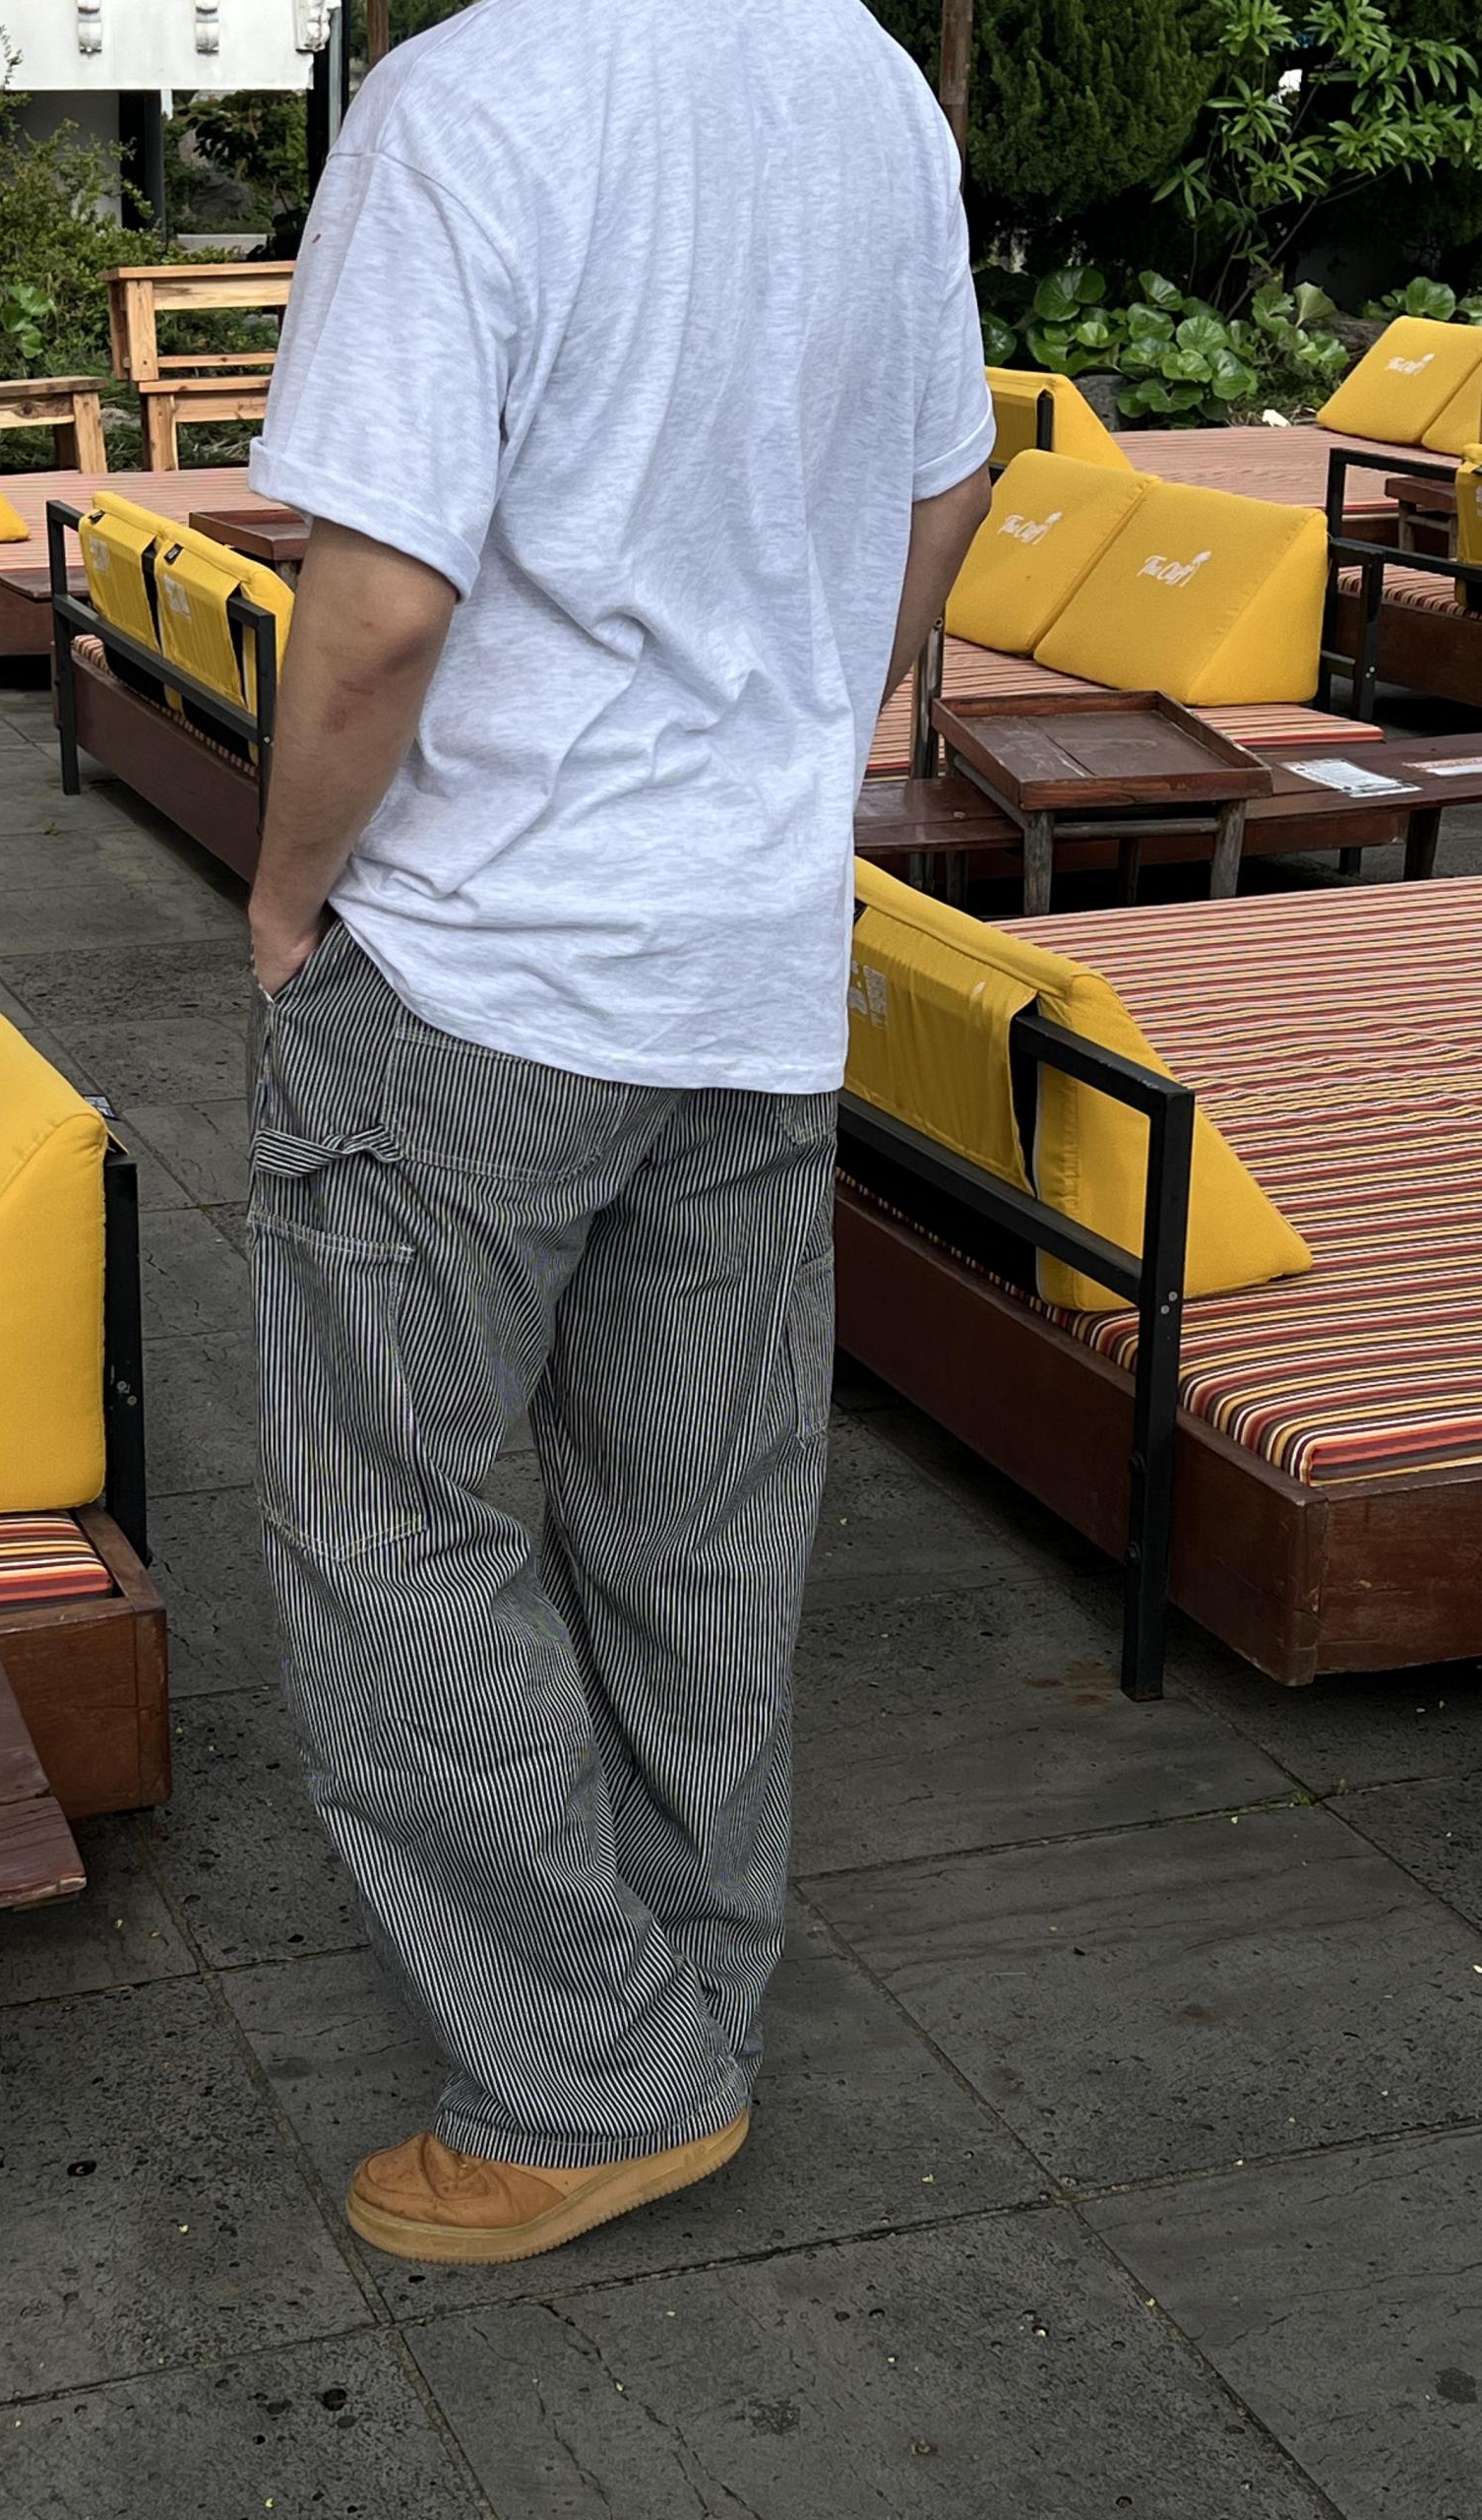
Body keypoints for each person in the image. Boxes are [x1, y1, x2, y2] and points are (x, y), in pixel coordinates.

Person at [241, 0, 992, 2266]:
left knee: (390, 1524)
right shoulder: (868, 81)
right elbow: (949, 485)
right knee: (701, 1522)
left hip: (480, 964)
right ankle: (685, 2007)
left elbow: (379, 605)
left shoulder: (468, 102)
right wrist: (790, 760)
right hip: (749, 960)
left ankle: (587, 2068)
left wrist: (284, 891)